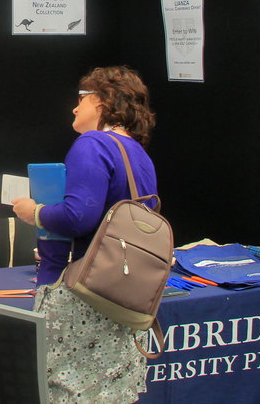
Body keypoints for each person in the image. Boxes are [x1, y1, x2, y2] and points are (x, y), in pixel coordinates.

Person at [12, 65, 158, 403]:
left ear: (104, 100)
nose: (75, 108)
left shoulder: (92, 143)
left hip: (80, 297)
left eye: (82, 98)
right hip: (123, 297)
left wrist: (35, 212)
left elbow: (78, 217)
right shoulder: (138, 153)